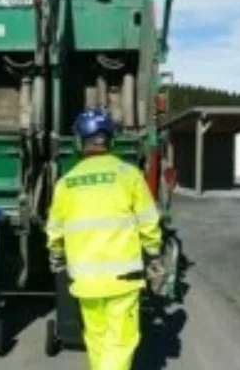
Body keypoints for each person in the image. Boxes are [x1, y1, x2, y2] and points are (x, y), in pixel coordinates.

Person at [45, 107, 164, 370]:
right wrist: (154, 255)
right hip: (123, 281)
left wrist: (56, 254)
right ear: (110, 140)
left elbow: (55, 229)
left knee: (97, 339)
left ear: (79, 141)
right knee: (119, 343)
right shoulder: (128, 175)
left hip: (85, 281)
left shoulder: (66, 183)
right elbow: (148, 221)